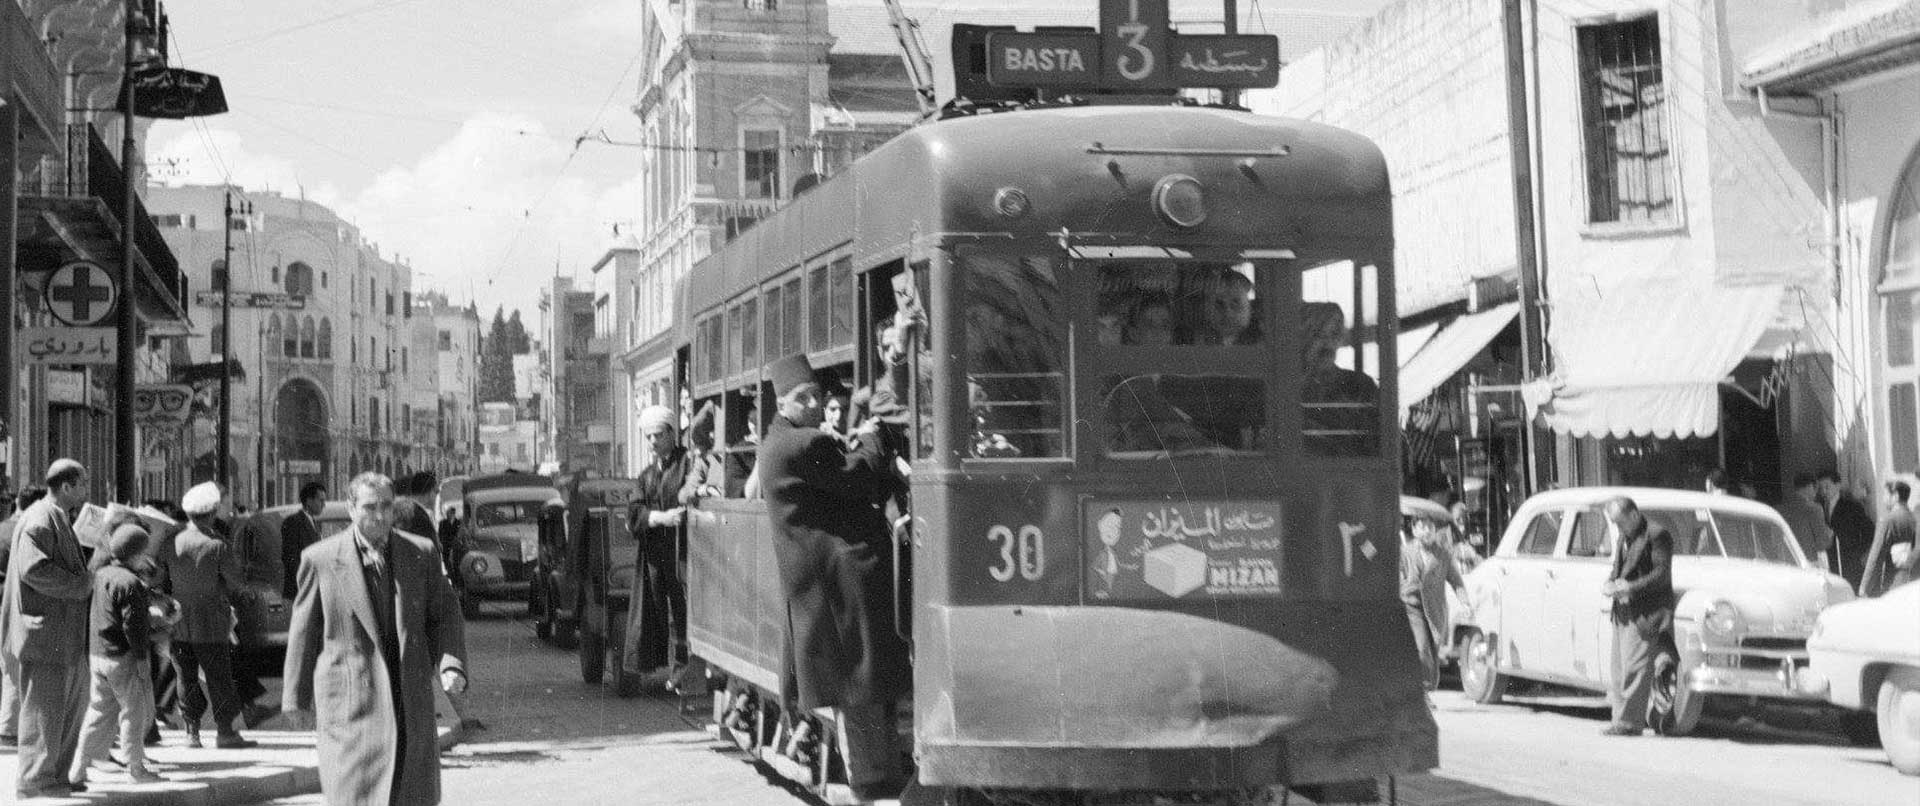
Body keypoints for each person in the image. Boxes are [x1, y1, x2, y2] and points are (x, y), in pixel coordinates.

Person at [758, 353, 910, 801]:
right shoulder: (803, 444)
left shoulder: (777, 442)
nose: (812, 403)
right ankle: (871, 782)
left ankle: (877, 775)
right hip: (838, 584)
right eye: (802, 397)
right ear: (783, 403)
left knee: (860, 685)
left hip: (821, 585)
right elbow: (859, 476)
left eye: (815, 395)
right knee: (859, 685)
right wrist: (870, 439)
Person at [283, 472, 468, 806]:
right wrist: (295, 699)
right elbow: (304, 633)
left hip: (408, 700)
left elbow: (445, 615)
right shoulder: (320, 559)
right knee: (357, 796)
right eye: (370, 507)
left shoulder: (421, 552)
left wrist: (451, 664)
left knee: (410, 795)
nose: (380, 515)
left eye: (386, 505)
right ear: (352, 508)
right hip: (351, 706)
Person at [5, 459, 96, 798]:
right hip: (45, 634)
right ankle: (34, 780)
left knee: (67, 709)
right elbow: (34, 569)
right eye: (83, 483)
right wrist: (79, 585)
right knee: (44, 710)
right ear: (67, 486)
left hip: (61, 634)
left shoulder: (56, 517)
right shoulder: (41, 518)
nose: (87, 489)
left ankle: (55, 775)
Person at [159, 482, 257, 750]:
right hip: (212, 622)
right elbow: (236, 582)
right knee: (219, 678)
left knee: (184, 677)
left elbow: (161, 578)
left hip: (178, 621)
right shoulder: (217, 545)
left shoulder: (170, 542)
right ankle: (225, 732)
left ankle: (192, 734)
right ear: (213, 512)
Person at [69, 524, 165, 786]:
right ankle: (136, 768)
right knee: (133, 712)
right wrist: (143, 660)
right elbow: (132, 626)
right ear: (136, 553)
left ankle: (78, 768)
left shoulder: (101, 574)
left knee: (98, 712)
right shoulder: (131, 583)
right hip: (122, 657)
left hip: (98, 653)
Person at [624, 406, 691, 684]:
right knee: (653, 611)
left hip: (683, 552)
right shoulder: (647, 475)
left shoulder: (686, 463)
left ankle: (685, 666)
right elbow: (634, 514)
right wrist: (661, 517)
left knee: (684, 610)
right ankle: (663, 665)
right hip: (655, 555)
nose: (653, 442)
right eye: (648, 436)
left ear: (672, 434)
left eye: (658, 435)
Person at [1600, 496, 1674, 737]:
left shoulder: (1656, 534)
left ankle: (1629, 723)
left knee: (1634, 668)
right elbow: (1618, 567)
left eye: (1620, 522)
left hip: (1644, 611)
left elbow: (1661, 573)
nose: (1618, 528)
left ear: (1634, 515)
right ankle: (1619, 720)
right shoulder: (1625, 535)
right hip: (1622, 609)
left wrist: (1631, 588)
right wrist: (1611, 582)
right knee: (1619, 669)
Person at [0, 485, 50, 745]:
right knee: (15, 664)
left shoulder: (2, 528)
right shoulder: (31, 531)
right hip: (16, 604)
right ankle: (10, 727)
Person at [1298, 301, 1380, 455]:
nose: (1328, 343)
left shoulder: (1360, 386)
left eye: (1335, 334)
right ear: (1302, 337)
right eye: (1318, 334)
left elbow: (1379, 445)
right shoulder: (1284, 386)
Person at [1400, 514, 1466, 694]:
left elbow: (1456, 580)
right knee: (1421, 649)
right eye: (1422, 527)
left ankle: (1427, 688)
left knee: (1432, 651)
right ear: (1414, 530)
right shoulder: (1405, 552)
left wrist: (1465, 602)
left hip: (1435, 609)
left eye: (1431, 527)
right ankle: (1423, 692)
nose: (1427, 531)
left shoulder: (1443, 554)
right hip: (1411, 606)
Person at [1813, 470, 1875, 590]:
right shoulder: (1818, 508)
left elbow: (1870, 531)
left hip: (1849, 562)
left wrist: (1860, 555)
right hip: (1828, 562)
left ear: (1838, 485)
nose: (1823, 491)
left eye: (1827, 487)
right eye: (1820, 488)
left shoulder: (1852, 506)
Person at [1861, 480, 1917, 597]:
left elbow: (1876, 556)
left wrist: (1864, 587)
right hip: (1914, 584)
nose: (1883, 499)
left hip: (1894, 586)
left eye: (1885, 494)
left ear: (1895, 496)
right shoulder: (1915, 519)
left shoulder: (1888, 521)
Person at [282, 483, 328, 599]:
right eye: (320, 500)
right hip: (299, 590)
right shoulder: (293, 522)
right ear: (309, 501)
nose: (324, 505)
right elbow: (291, 558)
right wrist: (304, 584)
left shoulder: (314, 523)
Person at [679, 403, 725, 506]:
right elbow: (683, 495)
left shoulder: (735, 456)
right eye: (694, 445)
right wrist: (700, 491)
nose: (696, 452)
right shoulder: (704, 461)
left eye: (700, 444)